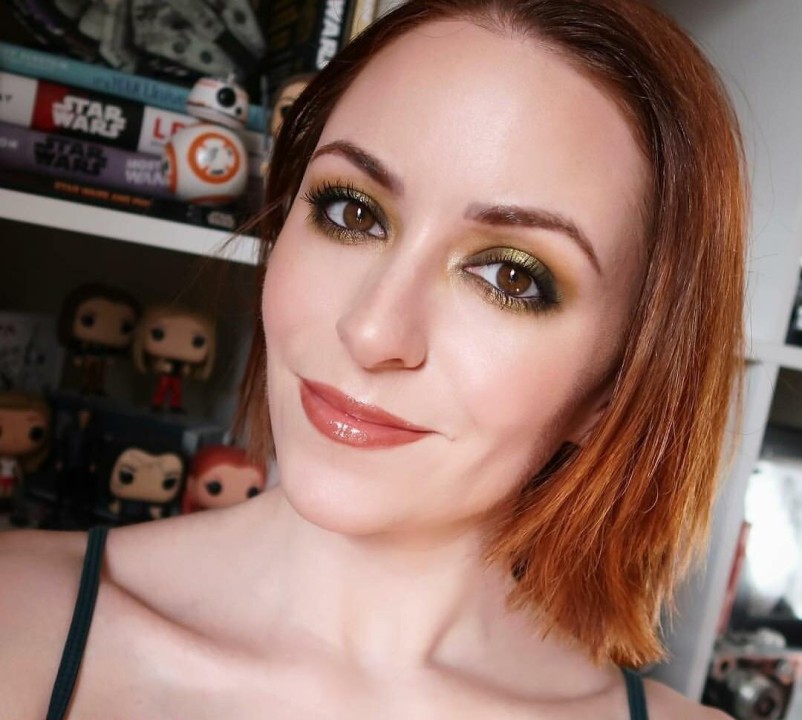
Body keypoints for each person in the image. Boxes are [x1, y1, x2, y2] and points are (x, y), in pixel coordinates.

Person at [0, 0, 745, 718]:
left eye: (510, 277)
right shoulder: (18, 618)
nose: (371, 330)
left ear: (617, 384)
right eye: (351, 211)